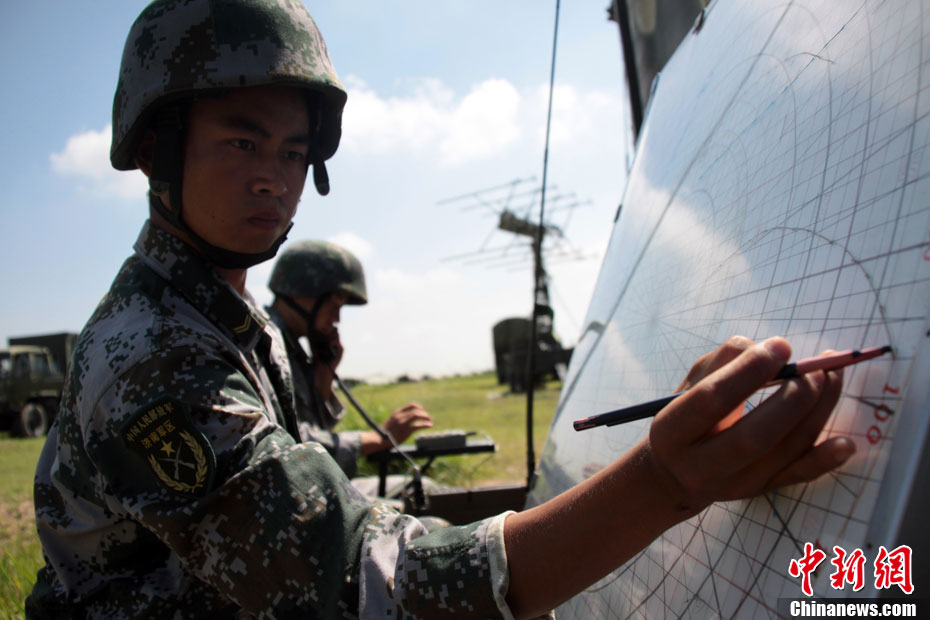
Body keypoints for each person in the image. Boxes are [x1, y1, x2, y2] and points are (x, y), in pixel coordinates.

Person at [27, 1, 856, 618]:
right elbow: (350, 581)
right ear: (155, 149)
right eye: (242, 143)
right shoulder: (151, 355)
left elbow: (301, 487)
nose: (273, 180)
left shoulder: (228, 320)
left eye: (293, 153)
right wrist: (662, 482)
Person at [265, 240, 433, 481]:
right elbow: (290, 444)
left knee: (418, 485)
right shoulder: (265, 343)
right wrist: (377, 439)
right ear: (300, 291)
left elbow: (313, 428)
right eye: (333, 304)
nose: (337, 318)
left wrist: (324, 374)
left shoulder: (289, 346)